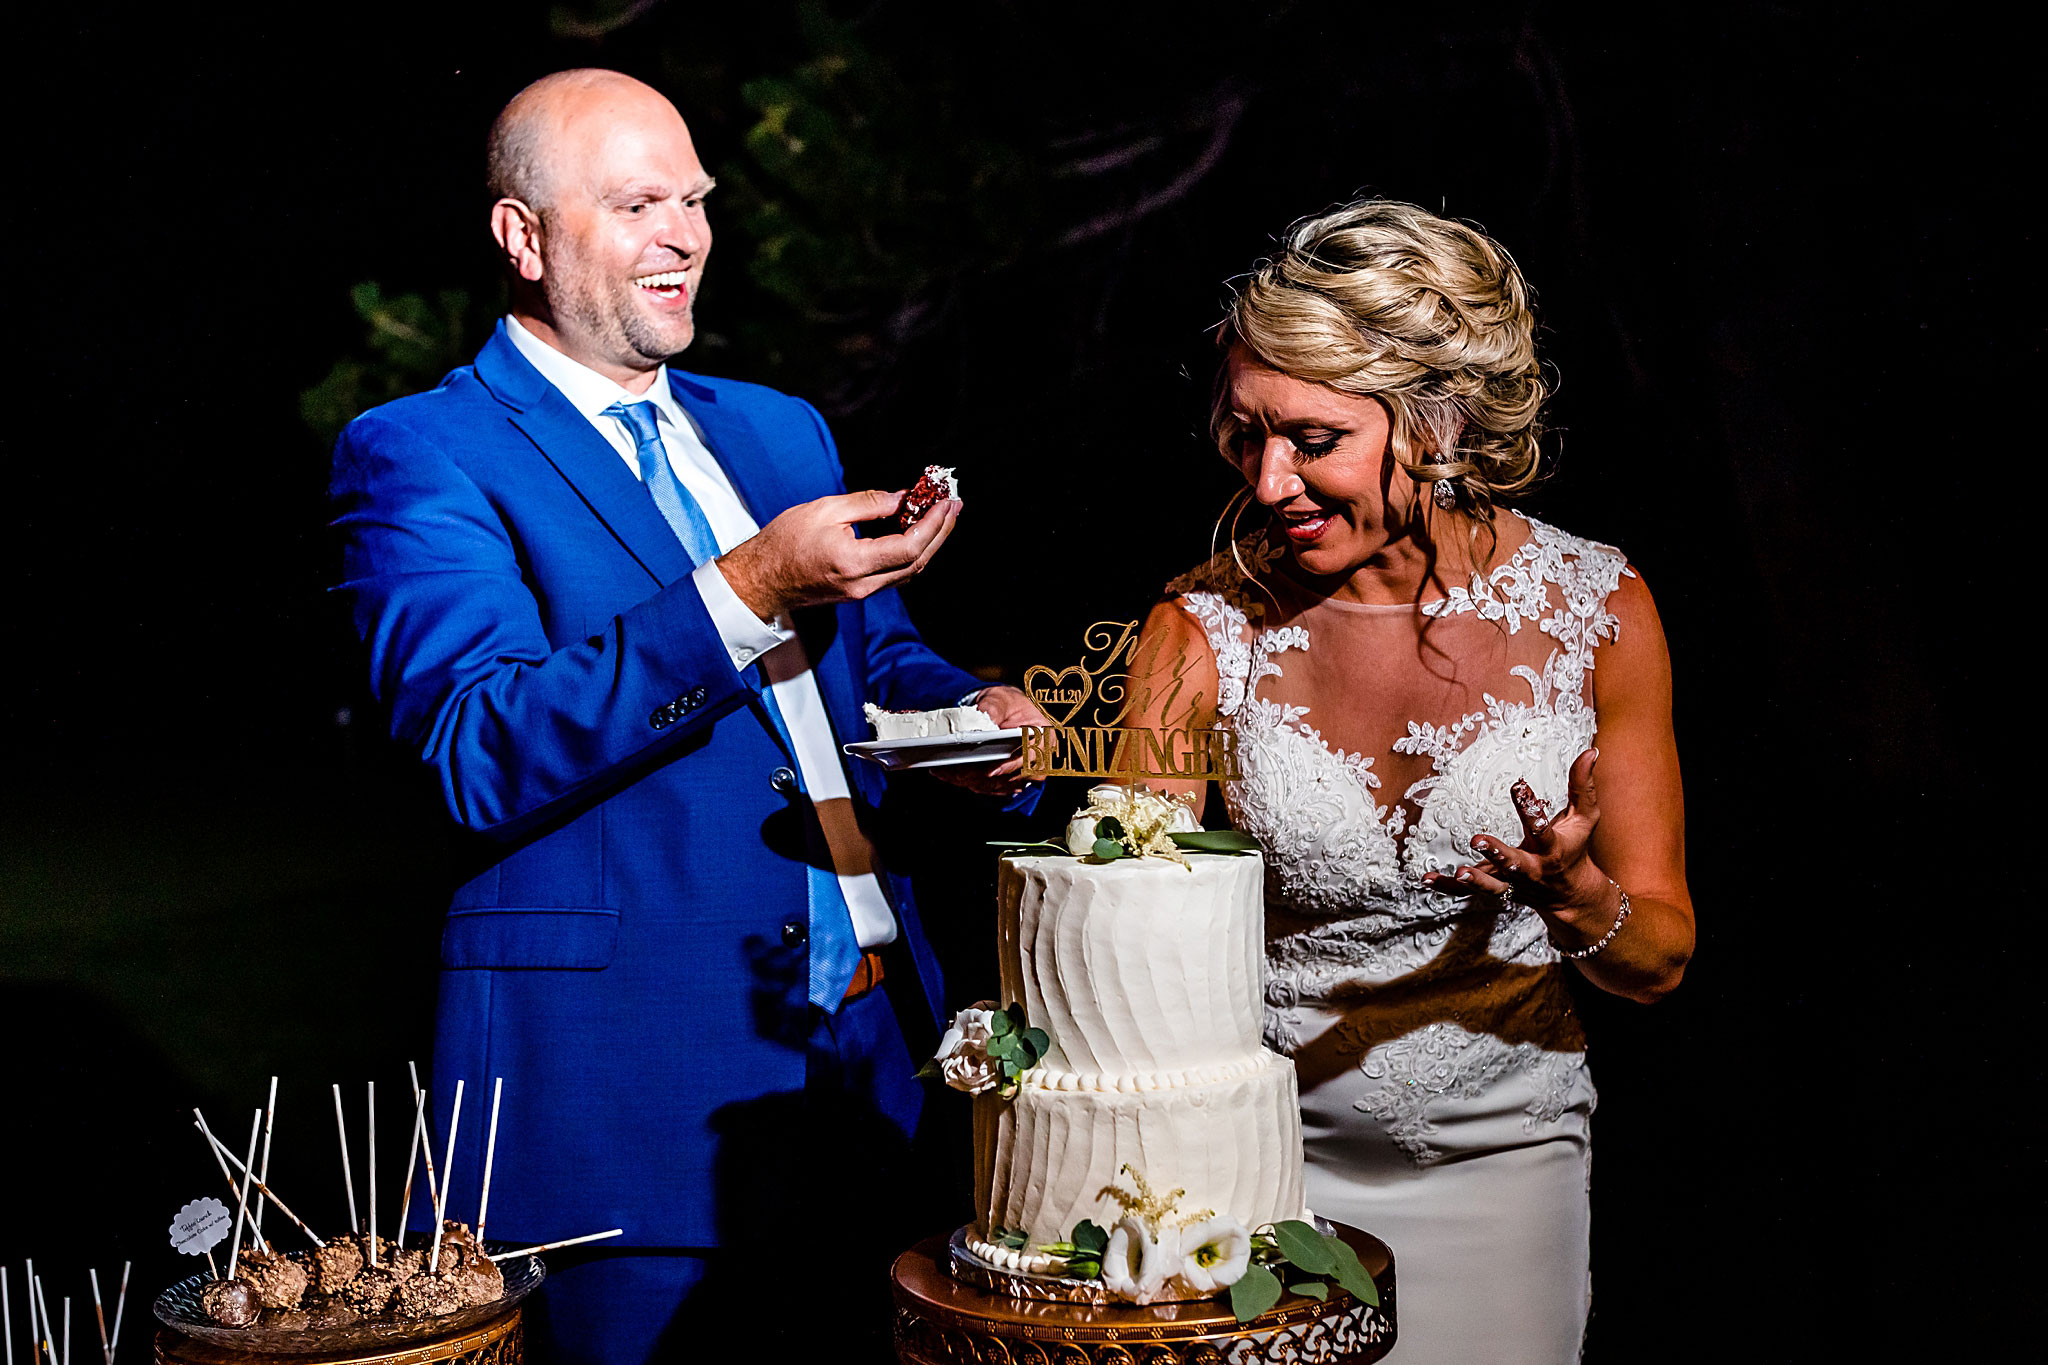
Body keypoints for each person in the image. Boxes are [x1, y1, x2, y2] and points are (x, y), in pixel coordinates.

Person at [329, 69, 1042, 1362]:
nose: (686, 233)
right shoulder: (423, 447)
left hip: (879, 1063)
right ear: (524, 236)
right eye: (639, 202)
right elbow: (475, 748)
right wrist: (752, 580)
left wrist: (972, 719)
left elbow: (871, 664)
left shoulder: (776, 430)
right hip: (626, 1087)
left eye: (697, 199)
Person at [1129, 200, 1693, 1362]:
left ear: (1432, 426)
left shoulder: (1599, 610)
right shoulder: (1197, 628)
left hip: (1505, 1161)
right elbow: (1132, 939)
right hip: (1250, 1180)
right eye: (1245, 436)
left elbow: (1661, 959)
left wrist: (1579, 903)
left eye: (1310, 438)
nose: (1267, 480)